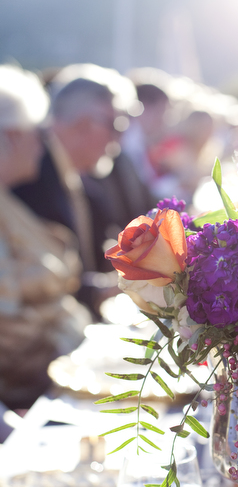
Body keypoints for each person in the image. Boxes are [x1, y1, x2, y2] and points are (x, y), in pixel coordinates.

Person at [13, 66, 153, 312]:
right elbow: (32, 278)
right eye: (116, 125)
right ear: (84, 123)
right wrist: (98, 290)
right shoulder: (29, 176)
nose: (118, 140)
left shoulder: (76, 176)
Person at [0, 65, 90, 409]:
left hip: (54, 379)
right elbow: (6, 328)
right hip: (29, 395)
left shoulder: (9, 198)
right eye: (37, 132)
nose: (43, 144)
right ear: (11, 136)